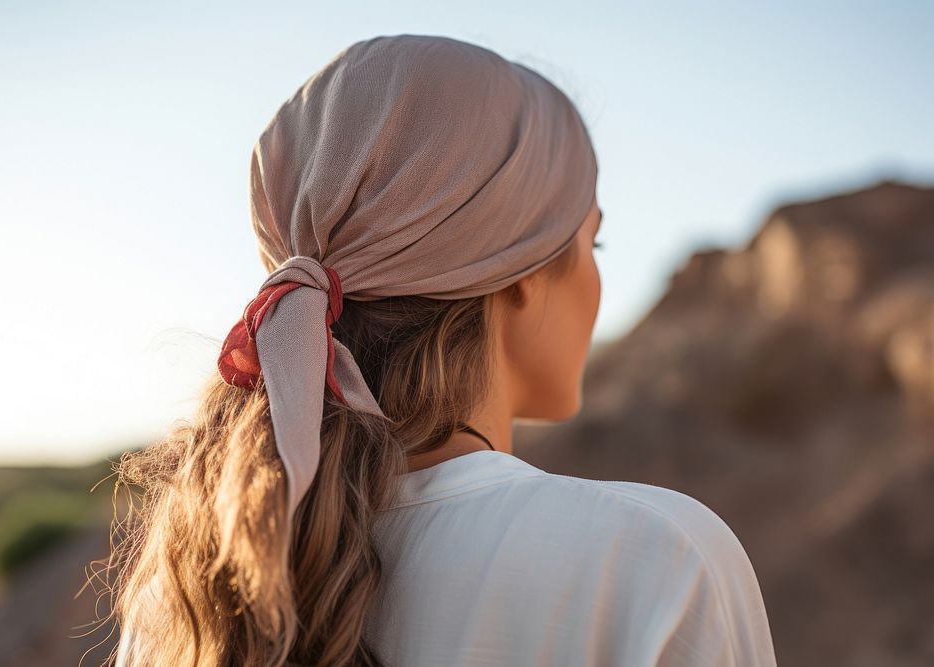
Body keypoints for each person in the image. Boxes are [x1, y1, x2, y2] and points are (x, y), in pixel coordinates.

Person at [105, 34, 777, 666]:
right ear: (520, 269)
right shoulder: (654, 555)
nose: (597, 281)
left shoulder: (185, 590)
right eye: (589, 243)